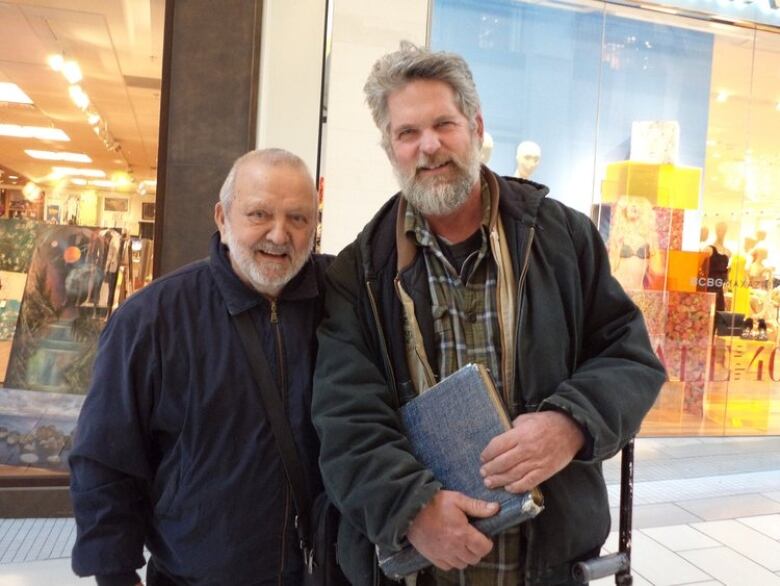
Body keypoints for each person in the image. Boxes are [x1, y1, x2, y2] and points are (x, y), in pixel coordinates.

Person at [312, 43, 666, 586]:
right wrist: (410, 511)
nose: (428, 146)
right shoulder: (360, 273)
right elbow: (346, 418)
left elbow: (631, 357)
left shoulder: (562, 239)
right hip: (421, 571)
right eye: (407, 133)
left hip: (545, 565)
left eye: (443, 124)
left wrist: (570, 423)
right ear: (390, 148)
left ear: (475, 126)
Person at [70, 148, 330, 585]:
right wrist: (114, 573)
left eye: (298, 219)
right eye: (259, 214)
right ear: (222, 218)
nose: (279, 235)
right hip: (194, 577)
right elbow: (104, 459)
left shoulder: (342, 305)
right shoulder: (152, 319)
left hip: (322, 573)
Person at [608, 195, 662, 291]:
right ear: (624, 209)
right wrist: (617, 248)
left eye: (637, 203)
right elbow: (611, 266)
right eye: (630, 203)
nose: (633, 205)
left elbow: (657, 269)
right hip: (619, 287)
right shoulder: (619, 235)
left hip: (638, 289)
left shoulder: (649, 236)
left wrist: (654, 250)